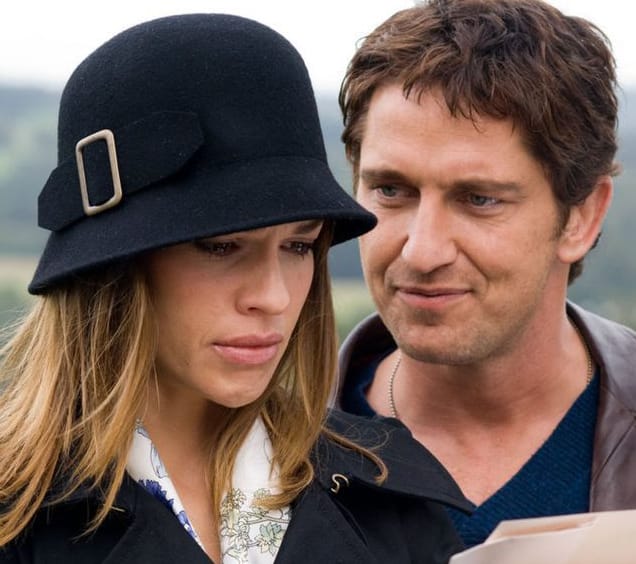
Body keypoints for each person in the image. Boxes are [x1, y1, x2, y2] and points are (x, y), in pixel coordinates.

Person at [0, 13, 471, 564]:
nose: (273, 297)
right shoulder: (17, 521)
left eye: (299, 246)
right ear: (114, 269)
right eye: (222, 247)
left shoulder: (388, 503)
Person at [335, 0, 636, 549]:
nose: (422, 252)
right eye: (391, 191)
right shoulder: (249, 458)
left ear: (582, 216)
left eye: (479, 199)